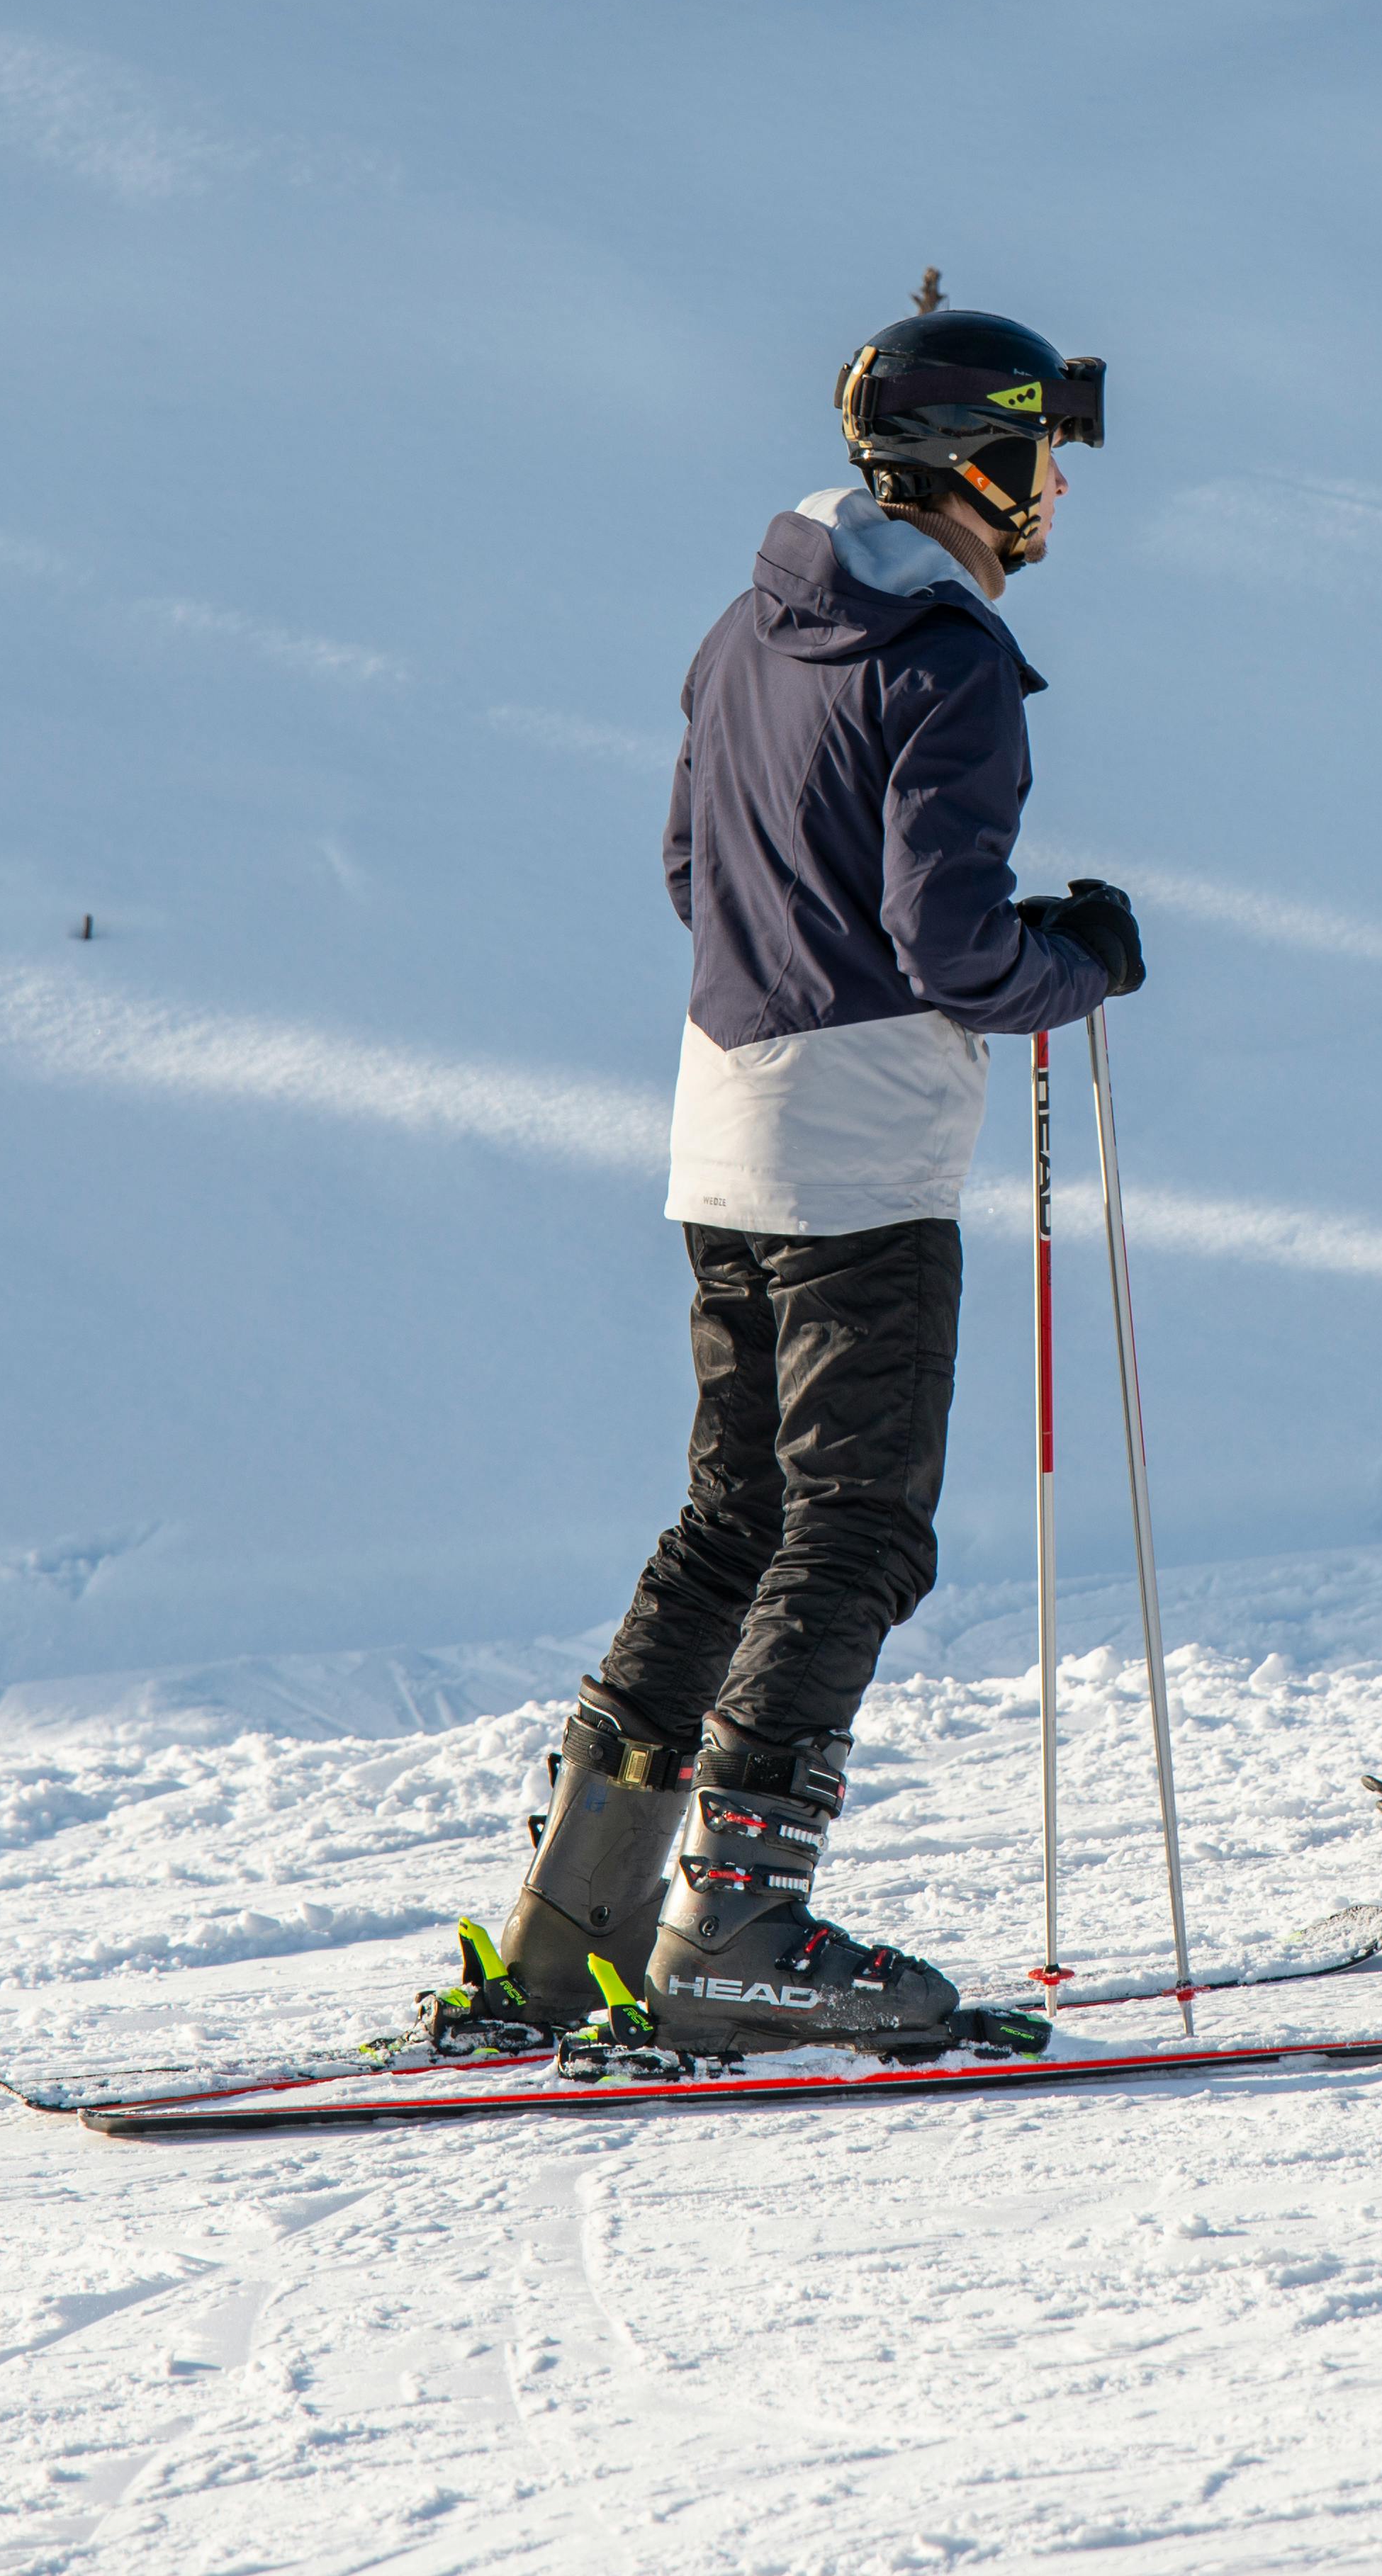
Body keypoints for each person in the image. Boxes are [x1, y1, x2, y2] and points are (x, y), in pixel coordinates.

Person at [437, 303, 1145, 2062]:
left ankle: (568, 1927)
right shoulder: (949, 661)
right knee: (851, 1525)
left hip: (722, 1117)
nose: (1054, 486)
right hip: (862, 1153)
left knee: (731, 1516)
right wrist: (1079, 960)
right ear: (975, 465)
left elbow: (691, 864)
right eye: (1040, 453)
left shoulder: (749, 621)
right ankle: (734, 1923)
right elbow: (949, 942)